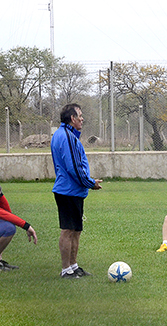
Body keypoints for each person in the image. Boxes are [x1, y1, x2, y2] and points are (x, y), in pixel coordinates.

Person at [51, 103, 103, 279]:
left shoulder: (66, 135)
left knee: (75, 230)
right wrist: (90, 183)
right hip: (68, 191)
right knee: (68, 230)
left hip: (73, 191)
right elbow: (73, 167)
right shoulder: (66, 136)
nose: (82, 119)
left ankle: (73, 266)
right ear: (72, 118)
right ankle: (66, 270)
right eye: (80, 115)